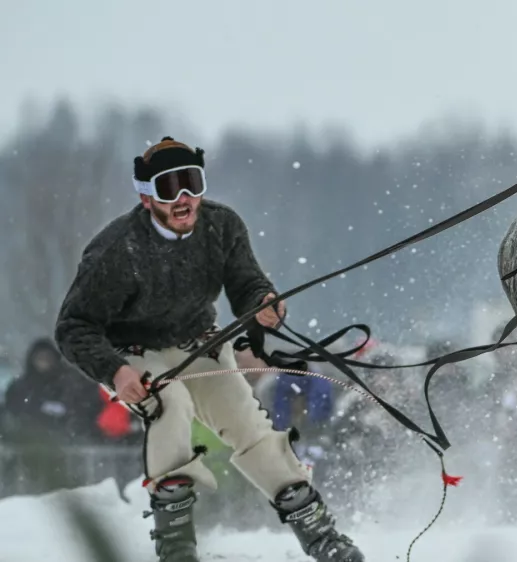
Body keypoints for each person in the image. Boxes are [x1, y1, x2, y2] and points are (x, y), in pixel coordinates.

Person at [54, 137, 364, 562]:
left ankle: (324, 539)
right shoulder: (116, 250)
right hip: (134, 354)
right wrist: (116, 372)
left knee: (249, 426)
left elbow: (247, 284)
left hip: (200, 344)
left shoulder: (223, 226)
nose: (184, 198)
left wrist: (263, 304)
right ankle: (177, 550)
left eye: (192, 183)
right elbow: (73, 327)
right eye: (169, 188)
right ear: (147, 198)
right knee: (172, 406)